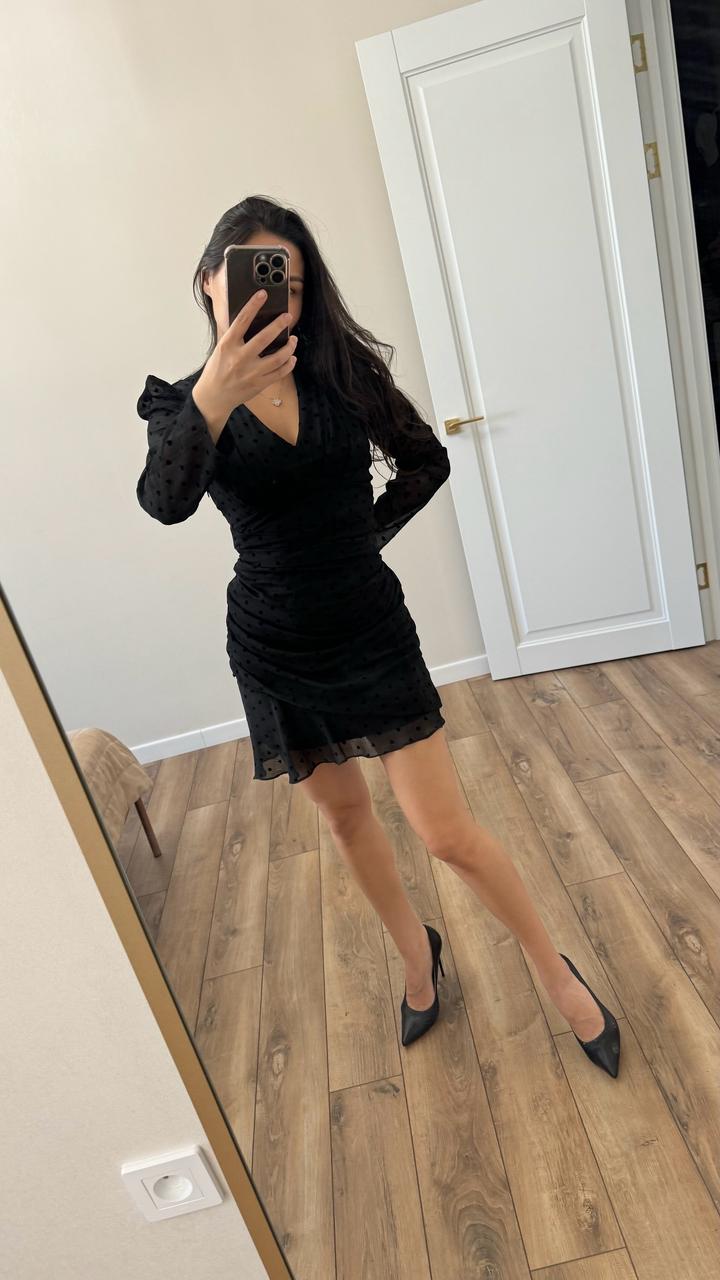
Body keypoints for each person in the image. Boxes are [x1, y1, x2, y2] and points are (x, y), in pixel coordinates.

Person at [136, 195, 620, 1075]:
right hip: (273, 645)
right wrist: (215, 393)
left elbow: (426, 460)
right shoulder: (181, 405)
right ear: (209, 281)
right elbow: (163, 502)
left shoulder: (340, 373)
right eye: (252, 276)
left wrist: (359, 537)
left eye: (289, 281)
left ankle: (556, 973)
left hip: (369, 628)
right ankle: (415, 957)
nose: (273, 297)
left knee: (445, 832)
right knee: (347, 818)